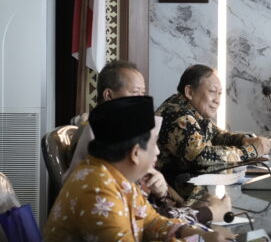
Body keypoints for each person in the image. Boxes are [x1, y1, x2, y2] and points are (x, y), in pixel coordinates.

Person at [43, 96, 234, 242]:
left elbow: (151, 221)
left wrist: (199, 233)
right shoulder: (96, 190)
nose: (157, 151)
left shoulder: (114, 174)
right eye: (153, 144)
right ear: (135, 153)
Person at [64, 60, 231, 223]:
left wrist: (163, 193)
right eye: (135, 93)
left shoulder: (123, 130)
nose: (142, 101)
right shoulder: (103, 135)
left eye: (143, 93)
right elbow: (147, 220)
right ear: (109, 95)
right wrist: (208, 213)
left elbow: (150, 216)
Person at [156, 64, 271, 197]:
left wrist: (244, 140)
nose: (217, 100)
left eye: (219, 93)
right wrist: (250, 151)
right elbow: (201, 156)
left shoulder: (188, 107)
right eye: (212, 91)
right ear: (189, 92)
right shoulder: (178, 115)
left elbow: (216, 134)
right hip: (172, 198)